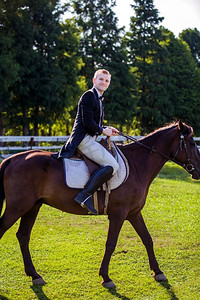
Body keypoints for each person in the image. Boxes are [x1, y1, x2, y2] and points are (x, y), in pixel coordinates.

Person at [52, 69, 119, 215]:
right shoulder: (89, 96)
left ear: (109, 84)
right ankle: (84, 195)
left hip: (89, 138)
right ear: (94, 80)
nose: (104, 82)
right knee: (113, 165)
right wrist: (103, 131)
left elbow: (94, 122)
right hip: (83, 140)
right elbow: (87, 122)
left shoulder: (98, 98)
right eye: (101, 79)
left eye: (107, 81)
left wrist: (106, 128)